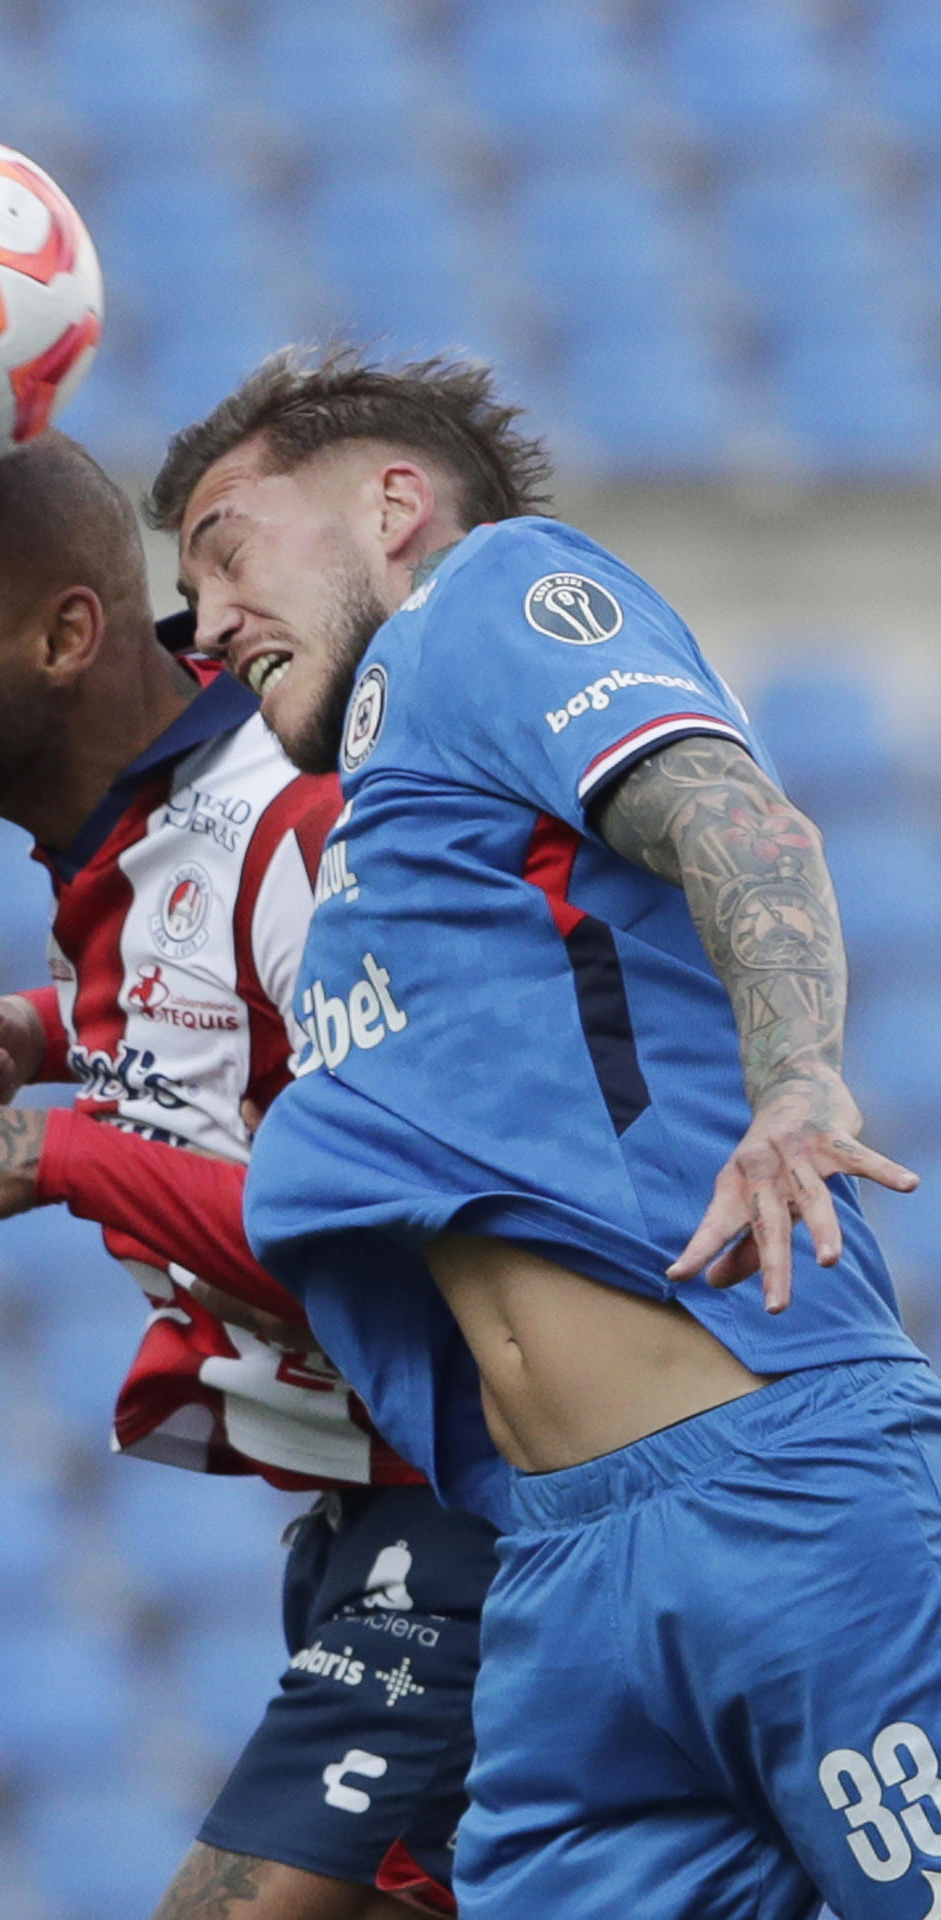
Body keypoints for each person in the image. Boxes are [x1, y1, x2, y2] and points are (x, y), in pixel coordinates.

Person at [148, 346, 940, 1920]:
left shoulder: (482, 602)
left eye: (227, 549)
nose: (207, 624)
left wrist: (796, 1075)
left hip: (775, 1500)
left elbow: (730, 810)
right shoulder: (389, 866)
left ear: (393, 506)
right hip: (560, 1582)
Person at [0, 429, 498, 1920]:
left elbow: (399, 1235)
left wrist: (55, 1149)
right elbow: (231, 1014)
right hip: (367, 1519)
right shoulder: (156, 827)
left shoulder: (288, 821)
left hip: (472, 1511)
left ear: (66, 636)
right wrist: (35, 1027)